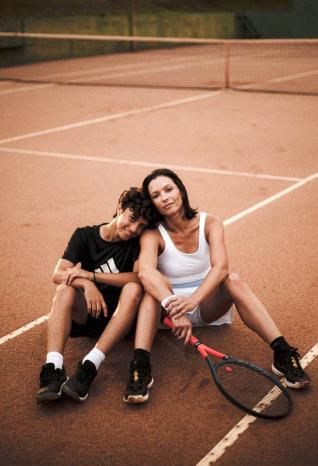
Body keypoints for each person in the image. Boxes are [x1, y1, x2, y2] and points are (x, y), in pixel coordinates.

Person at [123, 168, 310, 404]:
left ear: (180, 190)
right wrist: (172, 305)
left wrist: (192, 302)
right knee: (150, 291)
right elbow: (147, 272)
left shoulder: (210, 223)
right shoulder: (152, 233)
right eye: (157, 195)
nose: (165, 197)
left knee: (233, 279)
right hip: (166, 313)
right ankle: (140, 366)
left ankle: (283, 352)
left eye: (169, 189)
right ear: (153, 203)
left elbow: (221, 267)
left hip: (206, 305)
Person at [36, 187, 157, 403]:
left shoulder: (136, 245)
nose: (133, 229)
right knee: (64, 288)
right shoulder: (84, 235)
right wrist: (85, 284)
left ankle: (90, 365)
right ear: (120, 207)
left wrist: (92, 277)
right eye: (132, 219)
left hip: (120, 319)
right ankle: (54, 366)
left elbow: (139, 278)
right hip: (89, 313)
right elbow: (57, 274)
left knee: (133, 288)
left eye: (141, 226)